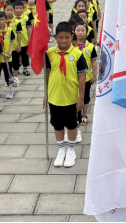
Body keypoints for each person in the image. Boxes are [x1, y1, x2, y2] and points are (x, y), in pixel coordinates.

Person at [45, 22, 88, 168]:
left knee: (71, 125)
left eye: (67, 38)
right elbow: (47, 74)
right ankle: (61, 150)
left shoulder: (78, 54)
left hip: (71, 98)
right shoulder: (50, 53)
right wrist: (46, 94)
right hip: (54, 97)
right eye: (60, 37)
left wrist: (81, 98)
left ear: (72, 37)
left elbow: (82, 77)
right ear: (55, 37)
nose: (64, 41)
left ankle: (70, 150)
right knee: (57, 125)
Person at [74, 22, 98, 141]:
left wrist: (94, 75)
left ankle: (84, 115)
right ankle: (75, 116)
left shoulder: (90, 46)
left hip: (86, 78)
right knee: (75, 98)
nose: (80, 32)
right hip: (73, 79)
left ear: (87, 32)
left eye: (82, 30)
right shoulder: (71, 46)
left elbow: (94, 62)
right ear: (74, 32)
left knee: (85, 97)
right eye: (78, 30)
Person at [0, 12, 17, 99]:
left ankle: (9, 90)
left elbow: (12, 41)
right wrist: (3, 53)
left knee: (8, 75)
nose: (1, 21)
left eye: (3, 20)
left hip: (8, 58)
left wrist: (10, 51)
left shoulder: (9, 30)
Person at [15, 0, 33, 77]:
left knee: (25, 55)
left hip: (24, 40)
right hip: (15, 41)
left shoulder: (26, 18)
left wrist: (29, 39)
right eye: (17, 8)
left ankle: (25, 69)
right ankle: (16, 69)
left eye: (20, 8)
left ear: (23, 9)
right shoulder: (11, 19)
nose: (18, 10)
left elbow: (29, 28)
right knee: (15, 56)